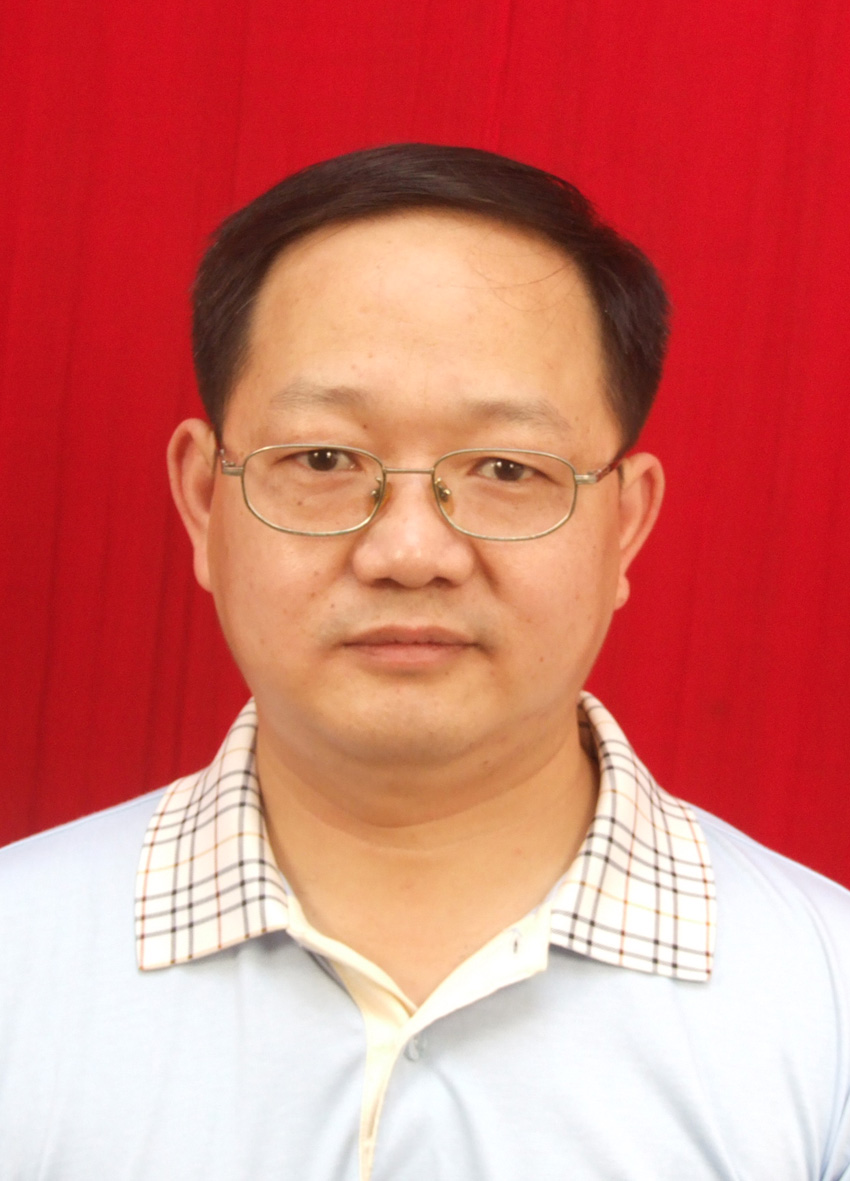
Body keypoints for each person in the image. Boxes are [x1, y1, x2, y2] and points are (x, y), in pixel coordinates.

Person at [1, 144, 848, 1180]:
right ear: (205, 503)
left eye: (506, 468)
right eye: (322, 458)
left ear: (625, 525)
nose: (409, 552)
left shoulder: (826, 1009)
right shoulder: (17, 957)